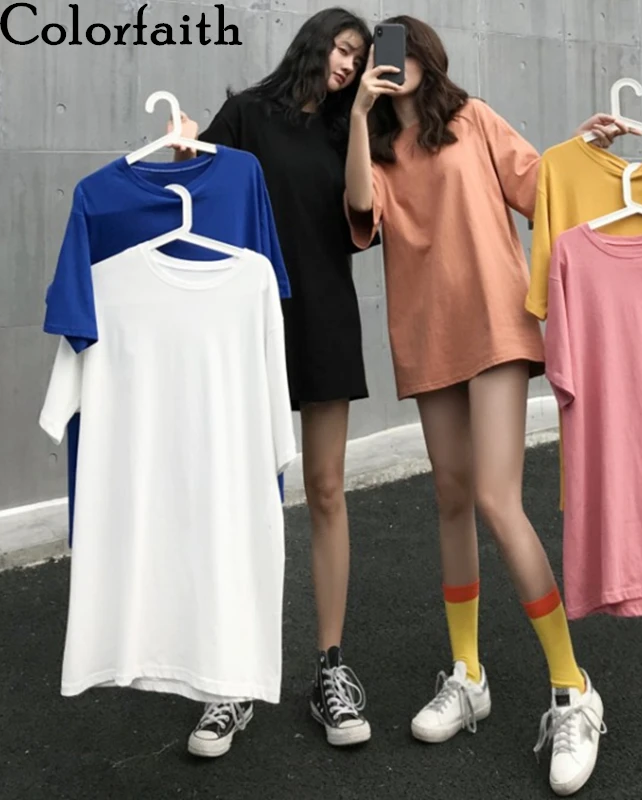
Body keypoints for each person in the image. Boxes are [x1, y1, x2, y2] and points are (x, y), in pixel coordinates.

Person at [344, 15, 636, 797]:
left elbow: (539, 185)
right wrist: (357, 116)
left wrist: (583, 150)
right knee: (450, 498)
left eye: (402, 48)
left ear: (426, 56)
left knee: (497, 500)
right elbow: (361, 210)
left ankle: (573, 687)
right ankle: (468, 675)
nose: (393, 62)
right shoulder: (377, 148)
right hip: (425, 333)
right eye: (380, 53)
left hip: (496, 322)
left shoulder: (471, 119)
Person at [172, 7, 378, 756]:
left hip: (324, 313)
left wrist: (362, 116)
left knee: (325, 489)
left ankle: (330, 670)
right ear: (314, 44)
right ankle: (231, 678)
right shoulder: (249, 114)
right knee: (245, 496)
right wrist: (184, 143)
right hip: (249, 318)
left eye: (358, 57)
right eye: (342, 50)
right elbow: (194, 182)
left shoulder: (348, 129)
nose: (348, 65)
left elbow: (363, 210)